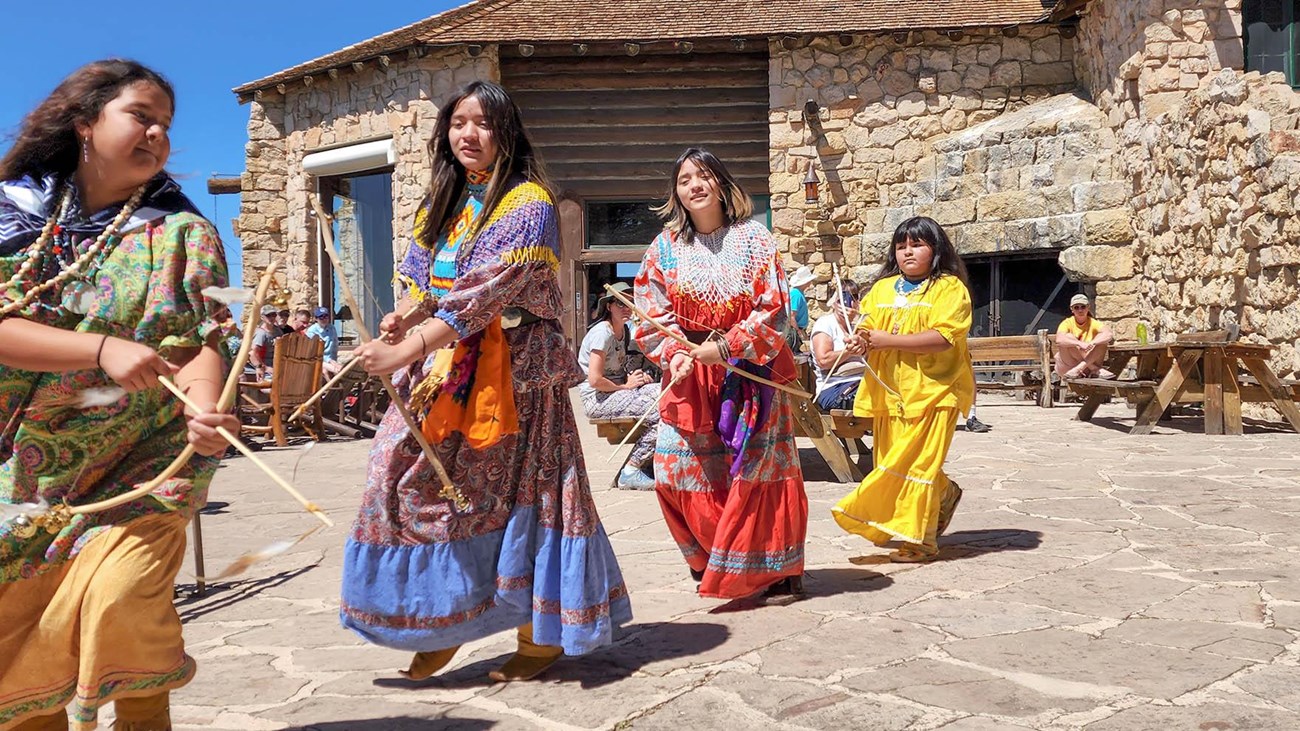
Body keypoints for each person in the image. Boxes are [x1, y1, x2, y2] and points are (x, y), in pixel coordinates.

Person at [343, 81, 630, 683]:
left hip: (517, 374)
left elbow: (483, 295)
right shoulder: (438, 203)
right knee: (397, 472)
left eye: (483, 124)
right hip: (443, 369)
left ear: (507, 134)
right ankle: (444, 615)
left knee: (529, 495)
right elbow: (430, 287)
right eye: (457, 123)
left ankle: (537, 634)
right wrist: (406, 316)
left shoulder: (528, 204)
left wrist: (407, 347)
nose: (468, 135)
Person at [0, 59, 237, 731]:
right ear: (84, 124)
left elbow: (201, 340)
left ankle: (142, 717)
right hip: (25, 469)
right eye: (142, 115)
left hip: (145, 462)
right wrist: (100, 349)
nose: (158, 133)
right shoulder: (10, 217)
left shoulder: (185, 232)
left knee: (122, 593)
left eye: (166, 124)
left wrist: (203, 408)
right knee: (21, 628)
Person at [634, 148, 808, 599]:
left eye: (704, 176)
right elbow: (650, 311)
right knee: (676, 469)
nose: (694, 184)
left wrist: (727, 346)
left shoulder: (755, 239)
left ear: (721, 184)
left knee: (760, 470)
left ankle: (774, 569)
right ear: (676, 192)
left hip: (750, 371)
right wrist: (674, 351)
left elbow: (775, 309)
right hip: (691, 371)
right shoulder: (664, 248)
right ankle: (714, 559)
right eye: (685, 178)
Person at [833, 216, 974, 563]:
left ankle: (920, 541)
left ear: (936, 250)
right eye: (901, 246)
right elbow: (868, 331)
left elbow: (943, 338)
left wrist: (885, 339)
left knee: (919, 466)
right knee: (893, 463)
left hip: (936, 390)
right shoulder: (882, 290)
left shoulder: (950, 289)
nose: (907, 252)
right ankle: (945, 494)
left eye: (917, 245)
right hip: (891, 393)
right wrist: (856, 335)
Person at [577, 282, 659, 490]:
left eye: (630, 303)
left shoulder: (624, 332)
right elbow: (594, 380)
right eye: (620, 303)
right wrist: (626, 387)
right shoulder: (602, 333)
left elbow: (621, 373)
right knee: (660, 411)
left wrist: (637, 379)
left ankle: (652, 462)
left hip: (614, 392)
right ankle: (631, 470)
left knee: (664, 393)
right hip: (598, 398)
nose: (626, 308)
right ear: (609, 307)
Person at [809, 279, 867, 411]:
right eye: (841, 298)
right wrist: (848, 351)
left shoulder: (857, 327)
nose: (847, 303)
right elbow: (823, 360)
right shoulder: (826, 323)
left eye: (853, 297)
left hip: (863, 382)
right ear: (834, 302)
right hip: (835, 387)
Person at [1056, 293, 1114, 379]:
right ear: (1072, 309)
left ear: (1088, 308)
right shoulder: (1067, 323)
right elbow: (1059, 339)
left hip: (1076, 369)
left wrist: (1093, 342)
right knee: (1069, 338)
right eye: (1076, 307)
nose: (1080, 310)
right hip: (1070, 367)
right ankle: (1094, 369)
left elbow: (1108, 334)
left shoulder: (1093, 323)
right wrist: (1079, 343)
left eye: (1083, 307)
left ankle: (1079, 369)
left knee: (1102, 342)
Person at [305, 306, 342, 377]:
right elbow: (313, 351)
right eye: (321, 317)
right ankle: (331, 387)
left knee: (340, 369)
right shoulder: (312, 331)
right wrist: (330, 361)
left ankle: (339, 386)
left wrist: (333, 360)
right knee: (336, 370)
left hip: (331, 360)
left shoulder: (332, 328)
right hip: (316, 359)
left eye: (326, 316)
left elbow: (334, 346)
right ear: (316, 319)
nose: (324, 319)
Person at [249, 304, 280, 381]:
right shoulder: (261, 334)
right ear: (262, 317)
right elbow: (253, 353)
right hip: (267, 371)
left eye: (273, 315)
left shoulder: (278, 331)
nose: (272, 318)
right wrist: (264, 368)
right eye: (268, 315)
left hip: (277, 367)